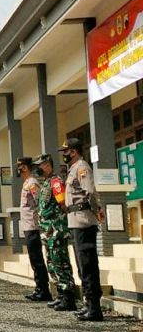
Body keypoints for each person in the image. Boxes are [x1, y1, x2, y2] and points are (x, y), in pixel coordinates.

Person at [60, 138, 105, 322]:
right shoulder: (73, 169)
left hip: (84, 221)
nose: (64, 155)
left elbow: (91, 192)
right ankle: (89, 305)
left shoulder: (81, 167)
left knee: (87, 265)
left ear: (74, 151)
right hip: (75, 221)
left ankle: (94, 308)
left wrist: (98, 210)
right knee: (81, 265)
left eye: (66, 151)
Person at [32, 153, 77, 311]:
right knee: (51, 262)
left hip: (56, 229)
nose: (37, 168)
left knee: (60, 261)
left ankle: (68, 297)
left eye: (39, 165)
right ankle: (60, 294)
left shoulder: (56, 182)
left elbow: (63, 203)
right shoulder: (46, 183)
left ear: (47, 165)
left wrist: (60, 222)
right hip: (47, 230)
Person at [16, 157, 52, 302]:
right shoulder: (26, 182)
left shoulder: (32, 183)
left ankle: (43, 290)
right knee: (33, 259)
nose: (17, 170)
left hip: (33, 226)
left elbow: (40, 202)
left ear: (24, 167)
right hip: (28, 226)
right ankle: (39, 288)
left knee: (37, 259)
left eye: (19, 167)